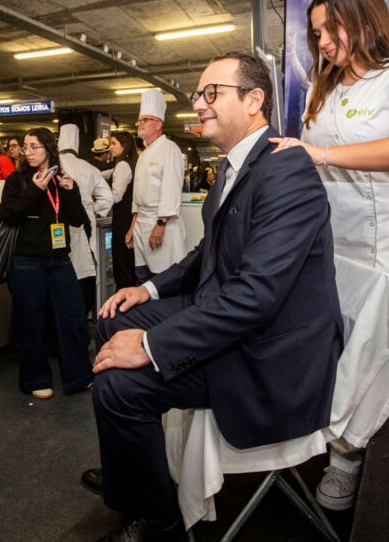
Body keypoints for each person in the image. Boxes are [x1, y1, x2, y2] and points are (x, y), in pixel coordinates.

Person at [82, 53, 342, 541]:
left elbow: (255, 297)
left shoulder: (287, 170)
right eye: (197, 94)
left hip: (267, 353)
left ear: (254, 100)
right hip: (230, 315)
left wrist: (151, 346)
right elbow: (208, 253)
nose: (198, 104)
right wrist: (148, 288)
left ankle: (159, 520)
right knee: (111, 320)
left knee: (118, 387)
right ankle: (133, 475)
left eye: (211, 93)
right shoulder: (235, 167)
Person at [270, 0, 389, 511]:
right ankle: (324, 435)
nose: (323, 42)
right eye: (316, 33)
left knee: (374, 360)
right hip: (337, 247)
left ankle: (346, 457)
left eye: (332, 28)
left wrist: (320, 155)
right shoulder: (324, 89)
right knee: (339, 355)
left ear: (365, 18)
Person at [0, 127, 93, 399]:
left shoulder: (61, 178)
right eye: (25, 147)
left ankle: (79, 375)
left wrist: (71, 191)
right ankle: (35, 379)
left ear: (49, 149)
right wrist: (34, 190)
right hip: (27, 261)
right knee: (31, 322)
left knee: (73, 319)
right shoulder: (17, 180)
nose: (27, 152)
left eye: (34, 147)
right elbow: (9, 215)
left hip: (60, 260)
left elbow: (77, 219)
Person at [128, 89, 186, 284]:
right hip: (141, 224)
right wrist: (133, 225)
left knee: (163, 280)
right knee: (142, 276)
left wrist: (160, 224)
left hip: (162, 224)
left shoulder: (169, 149)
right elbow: (138, 194)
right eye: (139, 120)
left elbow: (171, 190)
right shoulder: (144, 154)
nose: (139, 124)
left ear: (159, 124)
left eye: (145, 120)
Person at [58, 124, 113, 317]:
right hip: (85, 219)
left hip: (58, 221)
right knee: (85, 267)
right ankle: (85, 311)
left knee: (61, 267)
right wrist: (91, 209)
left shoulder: (53, 164)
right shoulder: (88, 167)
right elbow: (108, 198)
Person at [107, 131, 139, 289]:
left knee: (121, 266)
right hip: (130, 218)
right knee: (130, 264)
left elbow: (116, 196)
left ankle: (123, 298)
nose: (110, 147)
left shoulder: (122, 165)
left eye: (114, 144)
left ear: (124, 145)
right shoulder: (133, 163)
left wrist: (99, 201)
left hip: (122, 220)